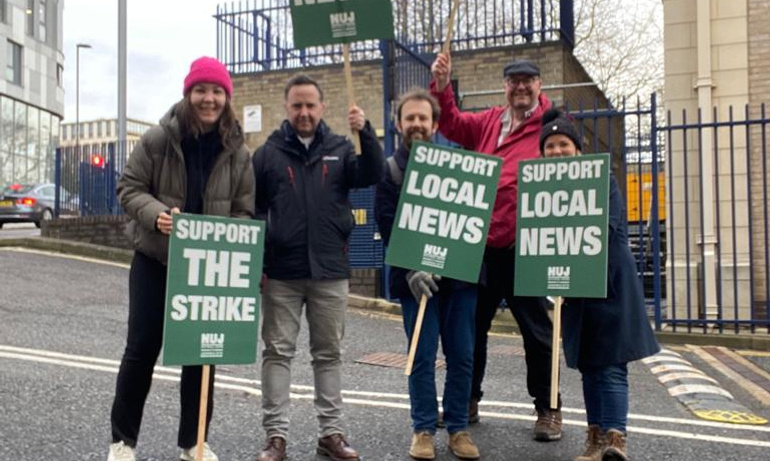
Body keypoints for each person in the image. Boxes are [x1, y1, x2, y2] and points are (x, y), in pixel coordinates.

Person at [108, 56, 255, 461]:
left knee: (202, 355)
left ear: (227, 97)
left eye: (217, 91)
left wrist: (231, 241)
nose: (209, 99)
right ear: (188, 94)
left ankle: (194, 442)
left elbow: (245, 211)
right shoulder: (158, 139)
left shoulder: (239, 152)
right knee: (140, 350)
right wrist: (156, 215)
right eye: (201, 90)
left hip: (207, 268)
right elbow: (129, 187)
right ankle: (122, 441)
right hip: (155, 260)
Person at [430, 53, 562, 440]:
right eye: (513, 81)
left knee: (538, 333)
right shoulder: (488, 121)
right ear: (505, 86)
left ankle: (549, 409)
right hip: (482, 247)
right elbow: (451, 123)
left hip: (526, 247)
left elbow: (567, 165)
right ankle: (466, 401)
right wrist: (442, 84)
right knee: (471, 329)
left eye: (528, 80)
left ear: (540, 85)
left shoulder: (551, 123)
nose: (521, 87)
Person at [252, 74, 384, 461]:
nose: (304, 112)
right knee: (277, 353)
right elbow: (255, 209)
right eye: (297, 105)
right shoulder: (267, 153)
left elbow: (372, 174)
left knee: (328, 355)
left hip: (330, 270)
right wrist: (259, 260)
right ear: (286, 108)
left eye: (311, 105)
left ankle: (331, 434)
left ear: (323, 107)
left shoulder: (342, 148)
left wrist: (368, 132)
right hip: (281, 272)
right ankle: (275, 437)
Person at [539, 109, 660, 461]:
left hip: (608, 286)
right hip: (574, 290)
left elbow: (603, 231)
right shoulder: (541, 189)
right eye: (550, 145)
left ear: (577, 149)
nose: (558, 150)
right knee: (589, 366)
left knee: (610, 365)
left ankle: (614, 440)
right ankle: (594, 442)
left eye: (564, 144)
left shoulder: (603, 180)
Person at [374, 89, 480, 461]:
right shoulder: (390, 171)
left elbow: (472, 220)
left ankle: (457, 429)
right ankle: (422, 430)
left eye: (423, 118)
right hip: (414, 282)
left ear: (435, 125)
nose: (416, 124)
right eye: (410, 118)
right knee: (421, 355)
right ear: (398, 124)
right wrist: (410, 270)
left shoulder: (460, 165)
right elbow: (388, 226)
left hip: (460, 280)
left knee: (462, 355)